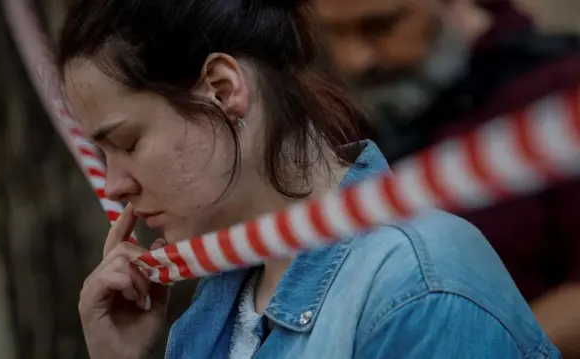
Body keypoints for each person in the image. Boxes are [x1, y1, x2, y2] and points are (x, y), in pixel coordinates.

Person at [59, 0, 560, 358]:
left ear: (222, 88)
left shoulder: (415, 284)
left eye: (126, 143)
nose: (114, 183)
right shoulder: (221, 299)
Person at [310, 0, 580, 356]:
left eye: (382, 25)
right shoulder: (336, 107)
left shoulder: (559, 91)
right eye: (334, 33)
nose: (354, 60)